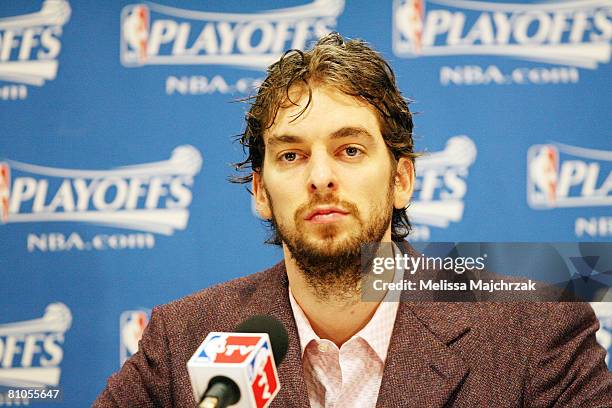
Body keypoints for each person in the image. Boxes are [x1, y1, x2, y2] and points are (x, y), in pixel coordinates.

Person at [94, 33, 612, 407]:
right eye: (291, 156)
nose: (320, 177)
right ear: (260, 192)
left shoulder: (535, 327)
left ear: (401, 179)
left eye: (349, 150)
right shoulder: (183, 339)